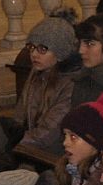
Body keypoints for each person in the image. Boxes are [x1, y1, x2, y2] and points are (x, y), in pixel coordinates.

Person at [14, 13, 79, 158]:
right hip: (30, 146)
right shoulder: (37, 71)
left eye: (42, 49)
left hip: (53, 154)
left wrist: (13, 142)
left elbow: (49, 132)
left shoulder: (70, 84)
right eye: (31, 47)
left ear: (60, 53)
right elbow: (19, 115)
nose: (34, 54)